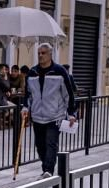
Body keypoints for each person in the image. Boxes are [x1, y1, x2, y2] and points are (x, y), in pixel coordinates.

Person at [19, 42, 78, 178]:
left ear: (50, 54)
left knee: (51, 142)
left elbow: (68, 94)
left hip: (55, 116)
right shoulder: (32, 73)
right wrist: (25, 107)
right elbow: (28, 94)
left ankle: (48, 170)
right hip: (38, 116)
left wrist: (71, 113)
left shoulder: (60, 71)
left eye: (43, 53)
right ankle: (46, 167)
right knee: (40, 145)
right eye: (39, 53)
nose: (40, 55)